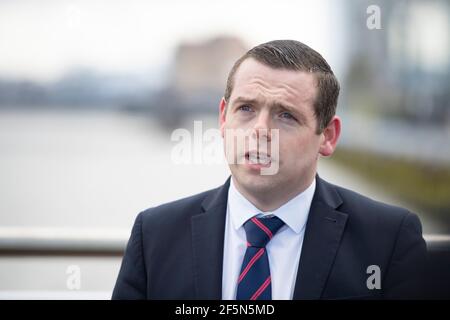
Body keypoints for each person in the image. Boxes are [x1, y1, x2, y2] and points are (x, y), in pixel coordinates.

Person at [112, 40, 427, 300]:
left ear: (327, 137)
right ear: (224, 118)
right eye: (246, 108)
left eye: (286, 115)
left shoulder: (388, 240)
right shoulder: (154, 235)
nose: (259, 130)